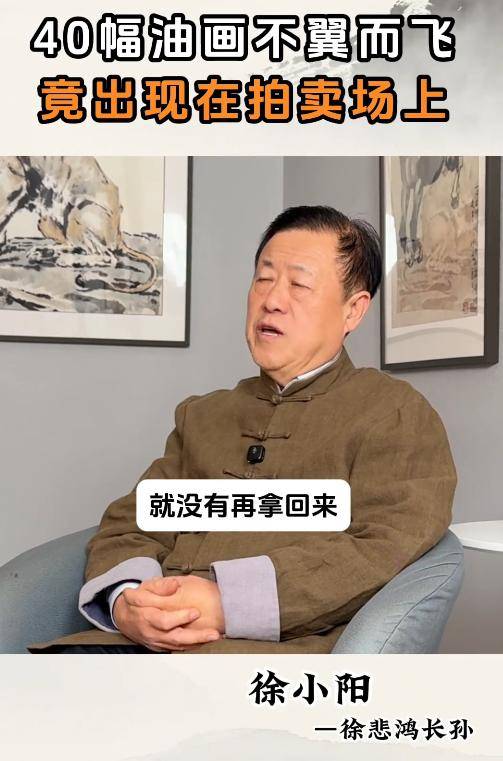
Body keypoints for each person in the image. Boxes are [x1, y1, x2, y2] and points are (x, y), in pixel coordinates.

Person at [31, 205, 457, 654]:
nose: (272, 300)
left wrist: (227, 601)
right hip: (128, 650)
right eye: (263, 279)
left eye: (299, 285)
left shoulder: (393, 413)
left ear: (353, 311)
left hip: (260, 664)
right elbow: (132, 523)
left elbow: (383, 545)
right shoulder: (204, 414)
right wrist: (127, 602)